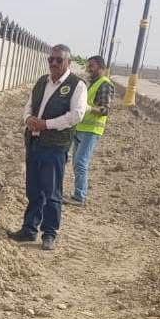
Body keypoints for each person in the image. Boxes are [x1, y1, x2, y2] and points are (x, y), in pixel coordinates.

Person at [7, 44, 86, 251]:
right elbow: (29, 105)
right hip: (34, 142)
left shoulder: (76, 85)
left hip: (54, 146)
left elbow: (76, 115)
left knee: (51, 191)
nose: (53, 63)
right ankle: (29, 229)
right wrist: (28, 118)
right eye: (50, 59)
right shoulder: (42, 81)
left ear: (68, 62)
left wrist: (46, 124)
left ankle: (49, 233)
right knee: (33, 189)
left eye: (59, 60)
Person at [66, 55, 114, 206]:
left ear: (101, 67)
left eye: (91, 66)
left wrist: (86, 109)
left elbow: (104, 109)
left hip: (91, 130)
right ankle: (78, 193)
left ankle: (80, 197)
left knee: (81, 162)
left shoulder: (104, 84)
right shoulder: (93, 83)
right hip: (81, 128)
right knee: (76, 162)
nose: (88, 69)